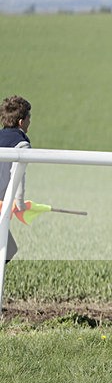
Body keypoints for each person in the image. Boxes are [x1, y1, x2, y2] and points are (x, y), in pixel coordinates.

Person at [0, 95, 32, 262]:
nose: (29, 122)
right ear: (21, 121)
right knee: (7, 249)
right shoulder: (21, 144)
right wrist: (19, 204)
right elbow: (18, 176)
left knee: (7, 248)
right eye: (29, 118)